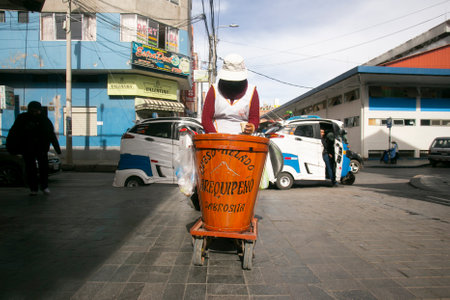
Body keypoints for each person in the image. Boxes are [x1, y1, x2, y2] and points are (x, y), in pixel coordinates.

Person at [6, 101, 61, 195]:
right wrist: (11, 147)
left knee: (43, 168)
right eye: (33, 111)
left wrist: (57, 149)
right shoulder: (22, 119)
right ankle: (33, 188)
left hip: (42, 149)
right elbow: (13, 133)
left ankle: (44, 186)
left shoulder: (44, 119)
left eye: (37, 111)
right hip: (28, 148)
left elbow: (51, 134)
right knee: (30, 169)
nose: (35, 113)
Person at [201, 53, 259, 134]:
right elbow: (206, 119)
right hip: (216, 138)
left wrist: (252, 126)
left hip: (243, 141)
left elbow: (254, 118)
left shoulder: (252, 91)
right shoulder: (214, 90)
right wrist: (216, 138)